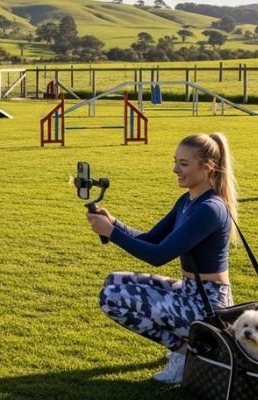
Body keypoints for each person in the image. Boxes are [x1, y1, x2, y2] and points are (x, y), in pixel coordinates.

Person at [85, 133, 238, 384]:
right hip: (190, 291)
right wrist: (114, 223)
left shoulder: (210, 209)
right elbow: (152, 239)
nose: (175, 169)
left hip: (208, 304)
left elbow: (159, 255)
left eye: (184, 164)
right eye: (175, 161)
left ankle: (185, 353)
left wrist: (111, 233)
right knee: (113, 281)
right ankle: (187, 350)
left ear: (207, 167)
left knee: (111, 297)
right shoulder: (187, 201)